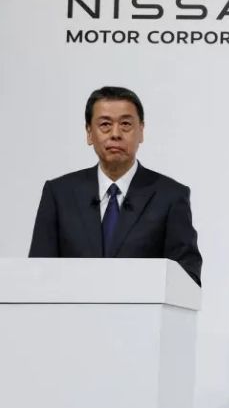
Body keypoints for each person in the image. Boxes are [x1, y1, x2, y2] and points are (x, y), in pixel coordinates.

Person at [28, 86, 203, 285]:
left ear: (141, 131)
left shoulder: (170, 196)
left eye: (126, 124)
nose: (116, 134)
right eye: (105, 124)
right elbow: (37, 277)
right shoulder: (59, 194)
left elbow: (188, 279)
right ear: (89, 133)